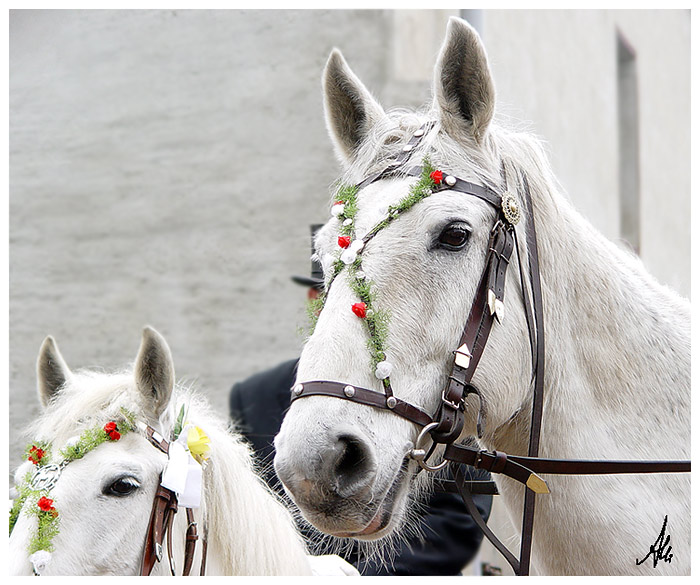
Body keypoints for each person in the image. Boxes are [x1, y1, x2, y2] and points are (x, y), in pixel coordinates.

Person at [229, 226, 493, 576]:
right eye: (328, 294)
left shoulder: (438, 385)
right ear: (314, 301)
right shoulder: (253, 396)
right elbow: (252, 518)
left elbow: (456, 517)